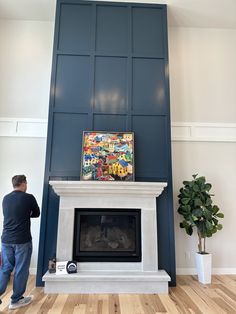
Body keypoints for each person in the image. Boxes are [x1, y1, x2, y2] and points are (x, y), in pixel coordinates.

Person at [0, 175, 40, 310]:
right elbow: (37, 213)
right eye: (26, 183)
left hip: (6, 240)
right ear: (23, 183)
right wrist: (26, 214)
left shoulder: (5, 198)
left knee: (5, 268)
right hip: (22, 240)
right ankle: (16, 300)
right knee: (21, 270)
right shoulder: (28, 198)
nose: (26, 185)